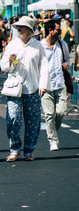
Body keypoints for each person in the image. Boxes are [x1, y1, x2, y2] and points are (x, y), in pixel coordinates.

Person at [0, 16, 50, 162]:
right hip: (14, 87)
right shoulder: (12, 44)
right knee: (13, 118)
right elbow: (3, 64)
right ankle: (14, 149)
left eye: (21, 26)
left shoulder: (38, 45)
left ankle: (29, 150)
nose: (18, 29)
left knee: (33, 121)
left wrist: (43, 85)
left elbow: (44, 66)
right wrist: (9, 60)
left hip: (32, 87)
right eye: (17, 27)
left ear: (28, 29)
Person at [40, 20, 69, 151]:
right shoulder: (40, 46)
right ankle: (52, 140)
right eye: (58, 29)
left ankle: (53, 132)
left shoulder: (62, 44)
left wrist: (67, 64)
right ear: (50, 30)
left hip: (60, 83)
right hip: (45, 86)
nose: (60, 32)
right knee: (49, 114)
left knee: (61, 112)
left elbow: (68, 59)